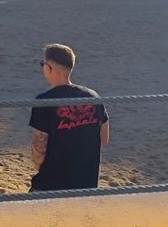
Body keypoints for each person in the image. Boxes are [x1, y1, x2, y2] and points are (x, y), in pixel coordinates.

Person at [29, 44, 110, 192]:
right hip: (86, 185)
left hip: (51, 185)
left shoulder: (44, 100)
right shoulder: (93, 96)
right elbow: (104, 139)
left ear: (49, 68)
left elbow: (39, 153)